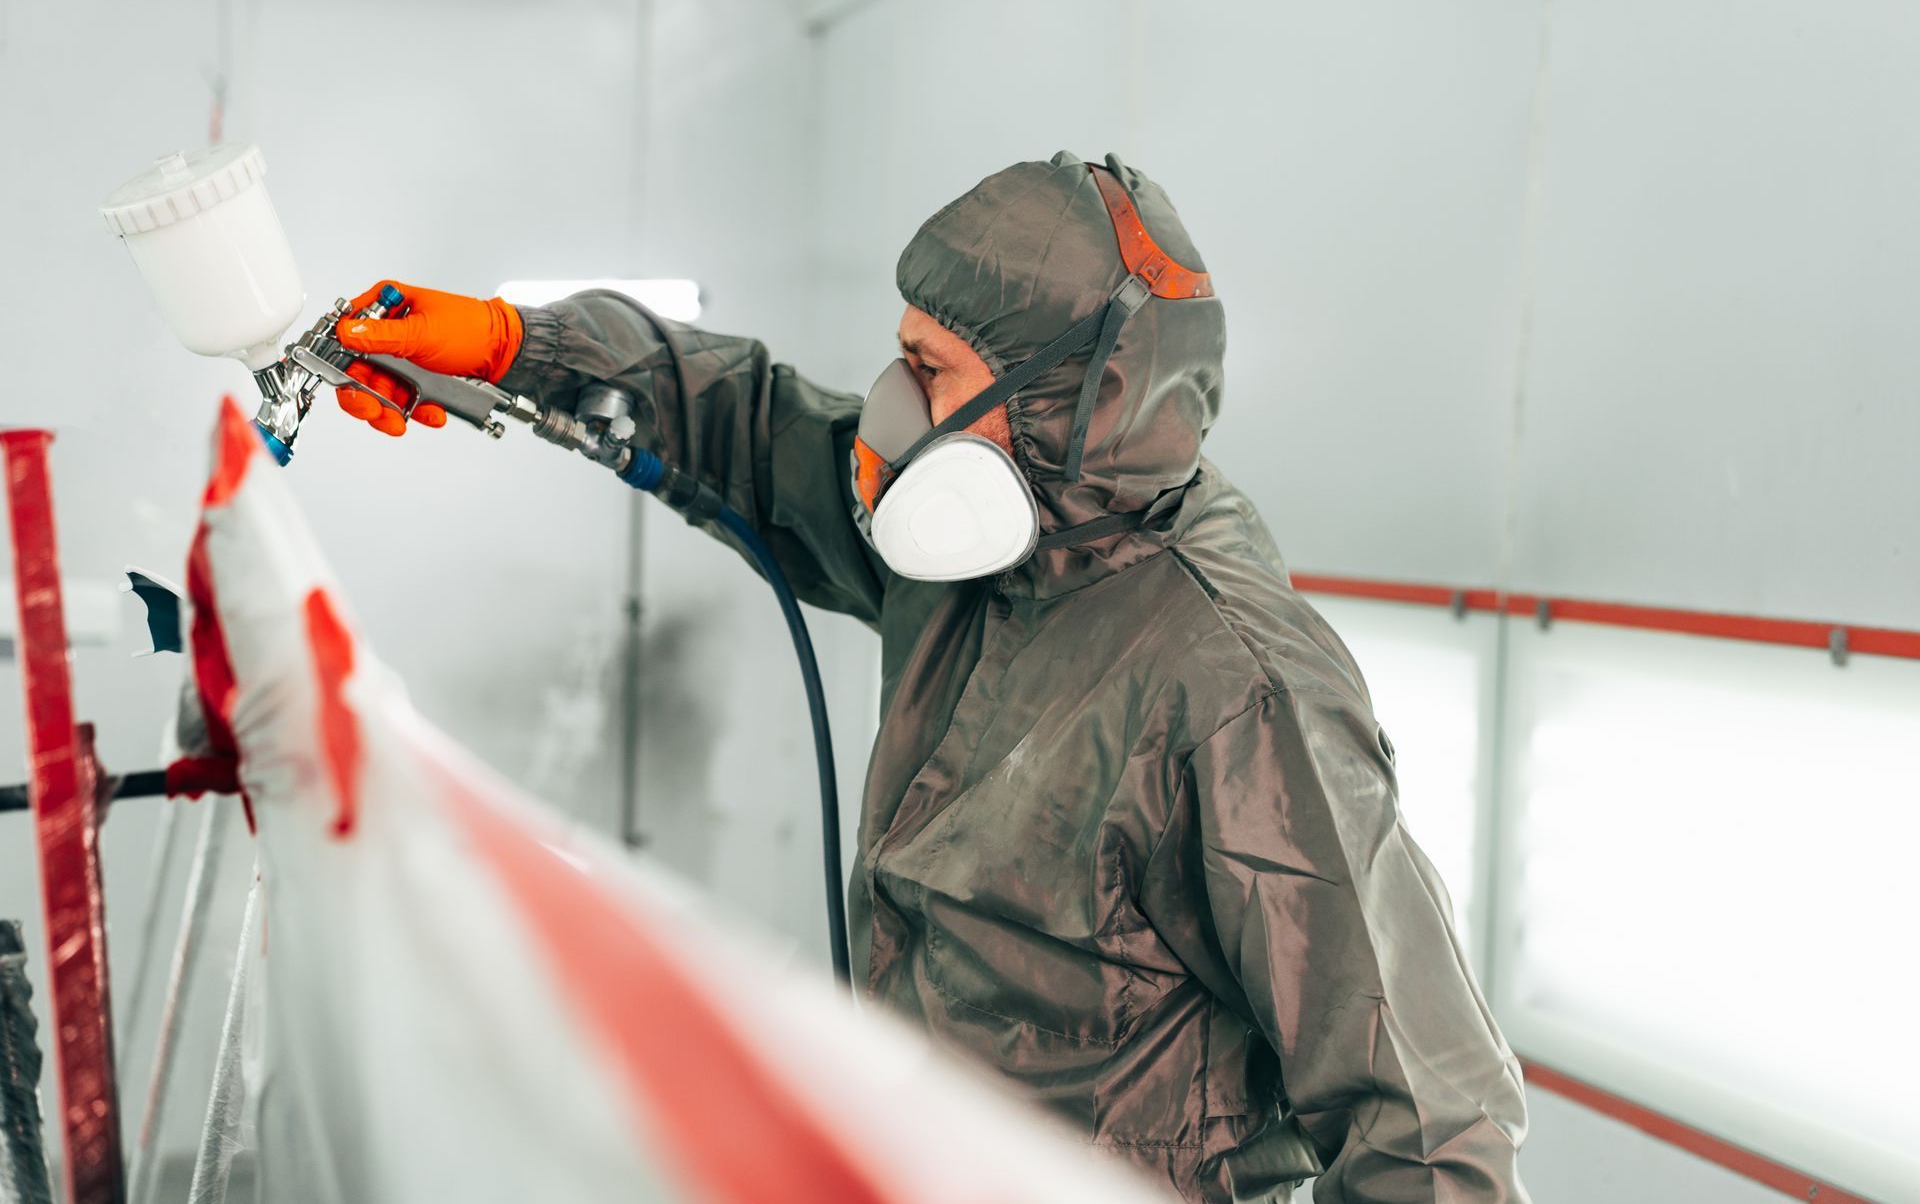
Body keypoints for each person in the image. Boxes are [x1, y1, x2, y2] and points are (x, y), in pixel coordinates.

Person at [333, 151, 1530, 1203]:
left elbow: (1429, 1128)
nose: (891, 409)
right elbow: (754, 428)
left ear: (1071, 410)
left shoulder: (1236, 687)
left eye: (927, 369)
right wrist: (512, 348)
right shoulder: (990, 548)